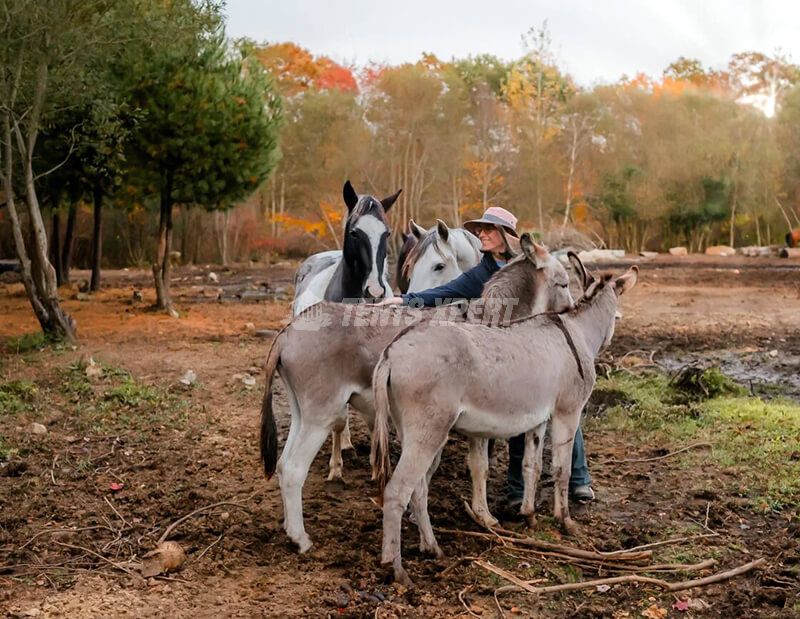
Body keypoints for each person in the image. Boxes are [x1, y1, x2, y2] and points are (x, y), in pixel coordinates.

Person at [378, 207, 595, 507]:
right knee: (522, 414)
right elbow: (449, 289)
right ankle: (517, 490)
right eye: (479, 229)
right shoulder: (483, 270)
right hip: (507, 350)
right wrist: (407, 299)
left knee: (566, 406)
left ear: (507, 234)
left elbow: (560, 300)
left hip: (541, 344)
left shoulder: (532, 262)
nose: (482, 233)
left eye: (489, 229)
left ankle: (580, 479)